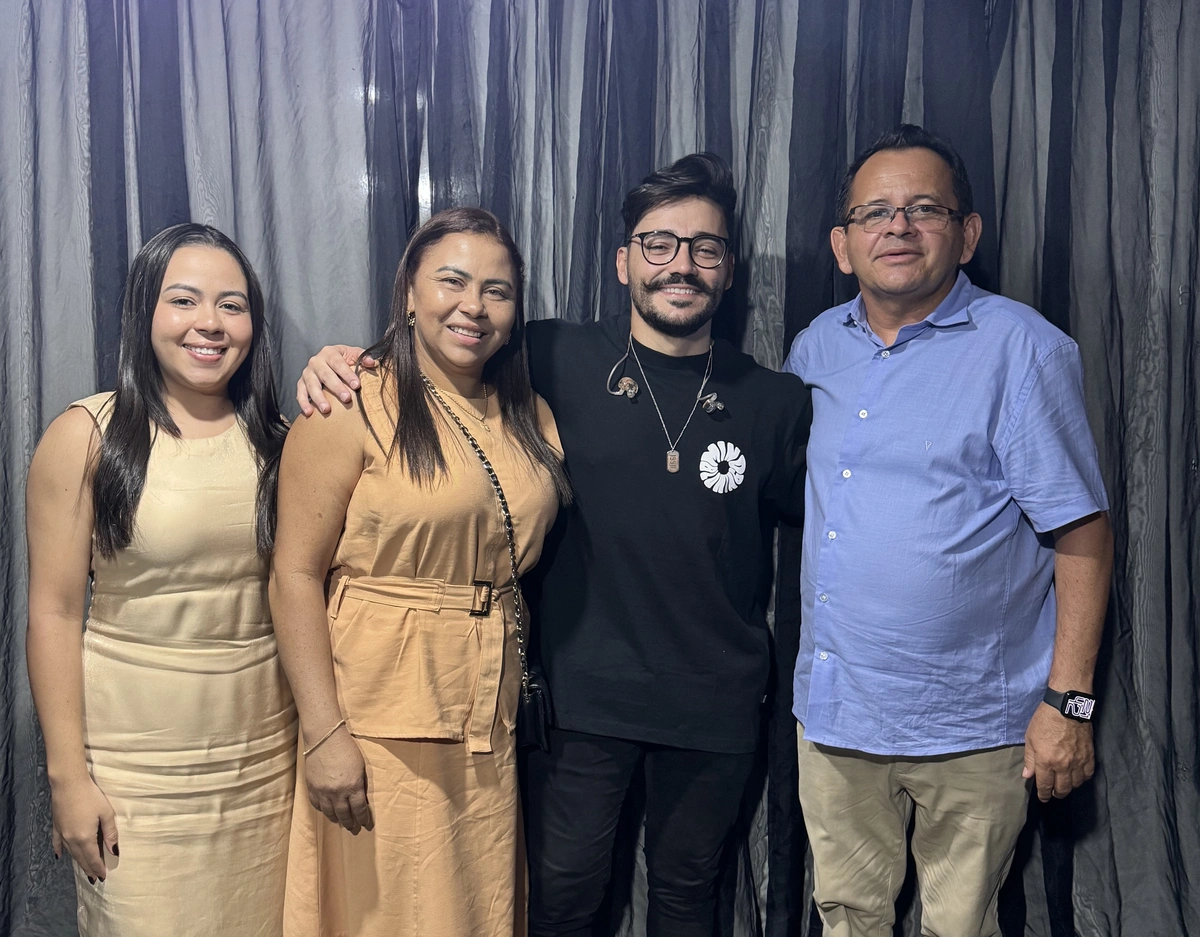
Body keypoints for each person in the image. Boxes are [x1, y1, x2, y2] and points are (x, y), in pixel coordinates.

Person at [298, 155, 810, 936]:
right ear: (623, 260)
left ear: (729, 268)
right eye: (659, 243)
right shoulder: (550, 356)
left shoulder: (775, 401)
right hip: (577, 703)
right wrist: (341, 359)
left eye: (705, 248)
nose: (682, 264)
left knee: (689, 900)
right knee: (563, 903)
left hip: (716, 704)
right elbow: (438, 355)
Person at [782, 124, 1113, 937]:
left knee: (960, 927)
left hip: (972, 725)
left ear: (966, 236)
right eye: (875, 213)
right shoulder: (815, 348)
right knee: (847, 920)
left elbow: (1084, 532)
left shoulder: (1023, 350)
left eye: (924, 208)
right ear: (842, 243)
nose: (897, 227)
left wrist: (1068, 703)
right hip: (835, 717)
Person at [270, 207, 569, 937]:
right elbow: (293, 575)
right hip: (376, 713)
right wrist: (324, 732)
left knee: (471, 906)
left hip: (486, 714)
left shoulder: (530, 413)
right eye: (453, 281)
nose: (474, 306)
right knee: (384, 911)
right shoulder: (349, 402)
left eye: (497, 290)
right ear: (409, 290)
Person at [25, 223, 296, 936]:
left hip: (265, 775)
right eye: (185, 300)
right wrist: (67, 780)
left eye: (232, 305)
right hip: (134, 783)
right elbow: (53, 614)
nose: (209, 323)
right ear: (145, 310)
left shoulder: (283, 439)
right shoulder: (87, 435)